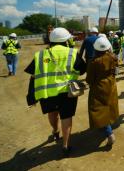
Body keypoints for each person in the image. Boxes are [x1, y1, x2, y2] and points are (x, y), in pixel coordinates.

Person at [24, 27, 86, 157]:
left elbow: (33, 76)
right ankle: (65, 145)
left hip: (47, 93)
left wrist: (32, 96)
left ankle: (55, 130)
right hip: (67, 92)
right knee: (66, 117)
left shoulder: (40, 55)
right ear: (65, 40)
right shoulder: (73, 53)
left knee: (52, 113)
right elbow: (82, 70)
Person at [86, 37, 119, 146]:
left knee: (99, 109)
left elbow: (89, 79)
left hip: (99, 87)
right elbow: (116, 71)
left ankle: (109, 133)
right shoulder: (113, 57)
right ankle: (108, 124)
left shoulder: (94, 62)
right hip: (111, 84)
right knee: (110, 105)